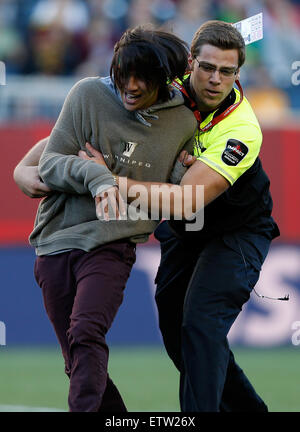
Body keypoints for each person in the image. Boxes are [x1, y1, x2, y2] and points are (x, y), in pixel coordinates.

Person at [13, 22, 275, 412]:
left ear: (239, 74)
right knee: (174, 330)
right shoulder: (159, 76)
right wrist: (22, 169)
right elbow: (81, 120)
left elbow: (187, 199)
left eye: (228, 72)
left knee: (200, 325)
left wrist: (108, 179)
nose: (215, 79)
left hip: (236, 230)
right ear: (190, 64)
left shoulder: (241, 130)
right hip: (185, 233)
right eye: (207, 68)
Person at [14, 25, 198, 412]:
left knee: (85, 331)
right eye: (122, 74)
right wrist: (97, 179)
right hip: (54, 240)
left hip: (113, 244)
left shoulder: (183, 122)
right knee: (77, 358)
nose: (130, 86)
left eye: (142, 78)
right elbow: (50, 164)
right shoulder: (86, 93)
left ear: (163, 79)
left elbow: (176, 194)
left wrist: (184, 173)